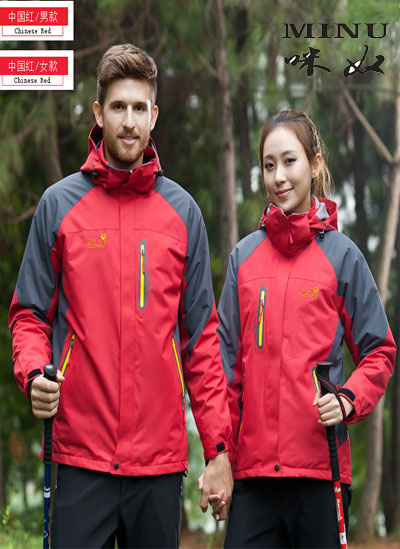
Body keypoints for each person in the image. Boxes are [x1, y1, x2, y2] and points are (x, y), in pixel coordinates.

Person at [9, 43, 232, 548]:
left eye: (138, 108)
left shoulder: (183, 214)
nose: (128, 122)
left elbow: (201, 342)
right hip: (79, 456)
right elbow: (29, 316)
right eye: (117, 107)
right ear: (98, 113)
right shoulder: (58, 206)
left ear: (154, 116)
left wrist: (218, 449)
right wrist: (34, 372)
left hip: (158, 465)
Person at [217, 109, 396, 548]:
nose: (279, 176)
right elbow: (224, 371)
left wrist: (349, 399)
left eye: (289, 161)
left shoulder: (343, 257)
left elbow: (379, 350)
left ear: (314, 164)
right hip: (253, 480)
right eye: (269, 165)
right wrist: (220, 455)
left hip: (321, 473)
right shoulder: (243, 259)